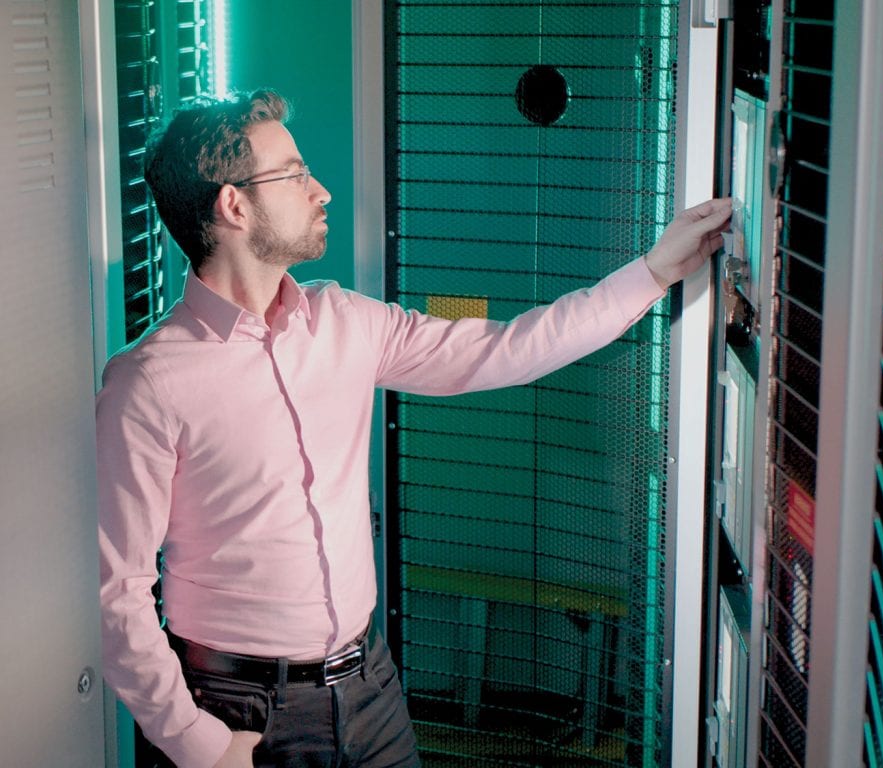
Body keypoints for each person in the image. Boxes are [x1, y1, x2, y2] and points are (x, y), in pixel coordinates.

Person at [95, 88, 731, 768]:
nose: (322, 191)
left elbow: (507, 348)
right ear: (233, 205)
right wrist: (199, 746)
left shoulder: (344, 322)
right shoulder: (148, 382)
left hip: (370, 691)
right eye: (295, 174)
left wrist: (655, 272)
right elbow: (116, 591)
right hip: (236, 712)